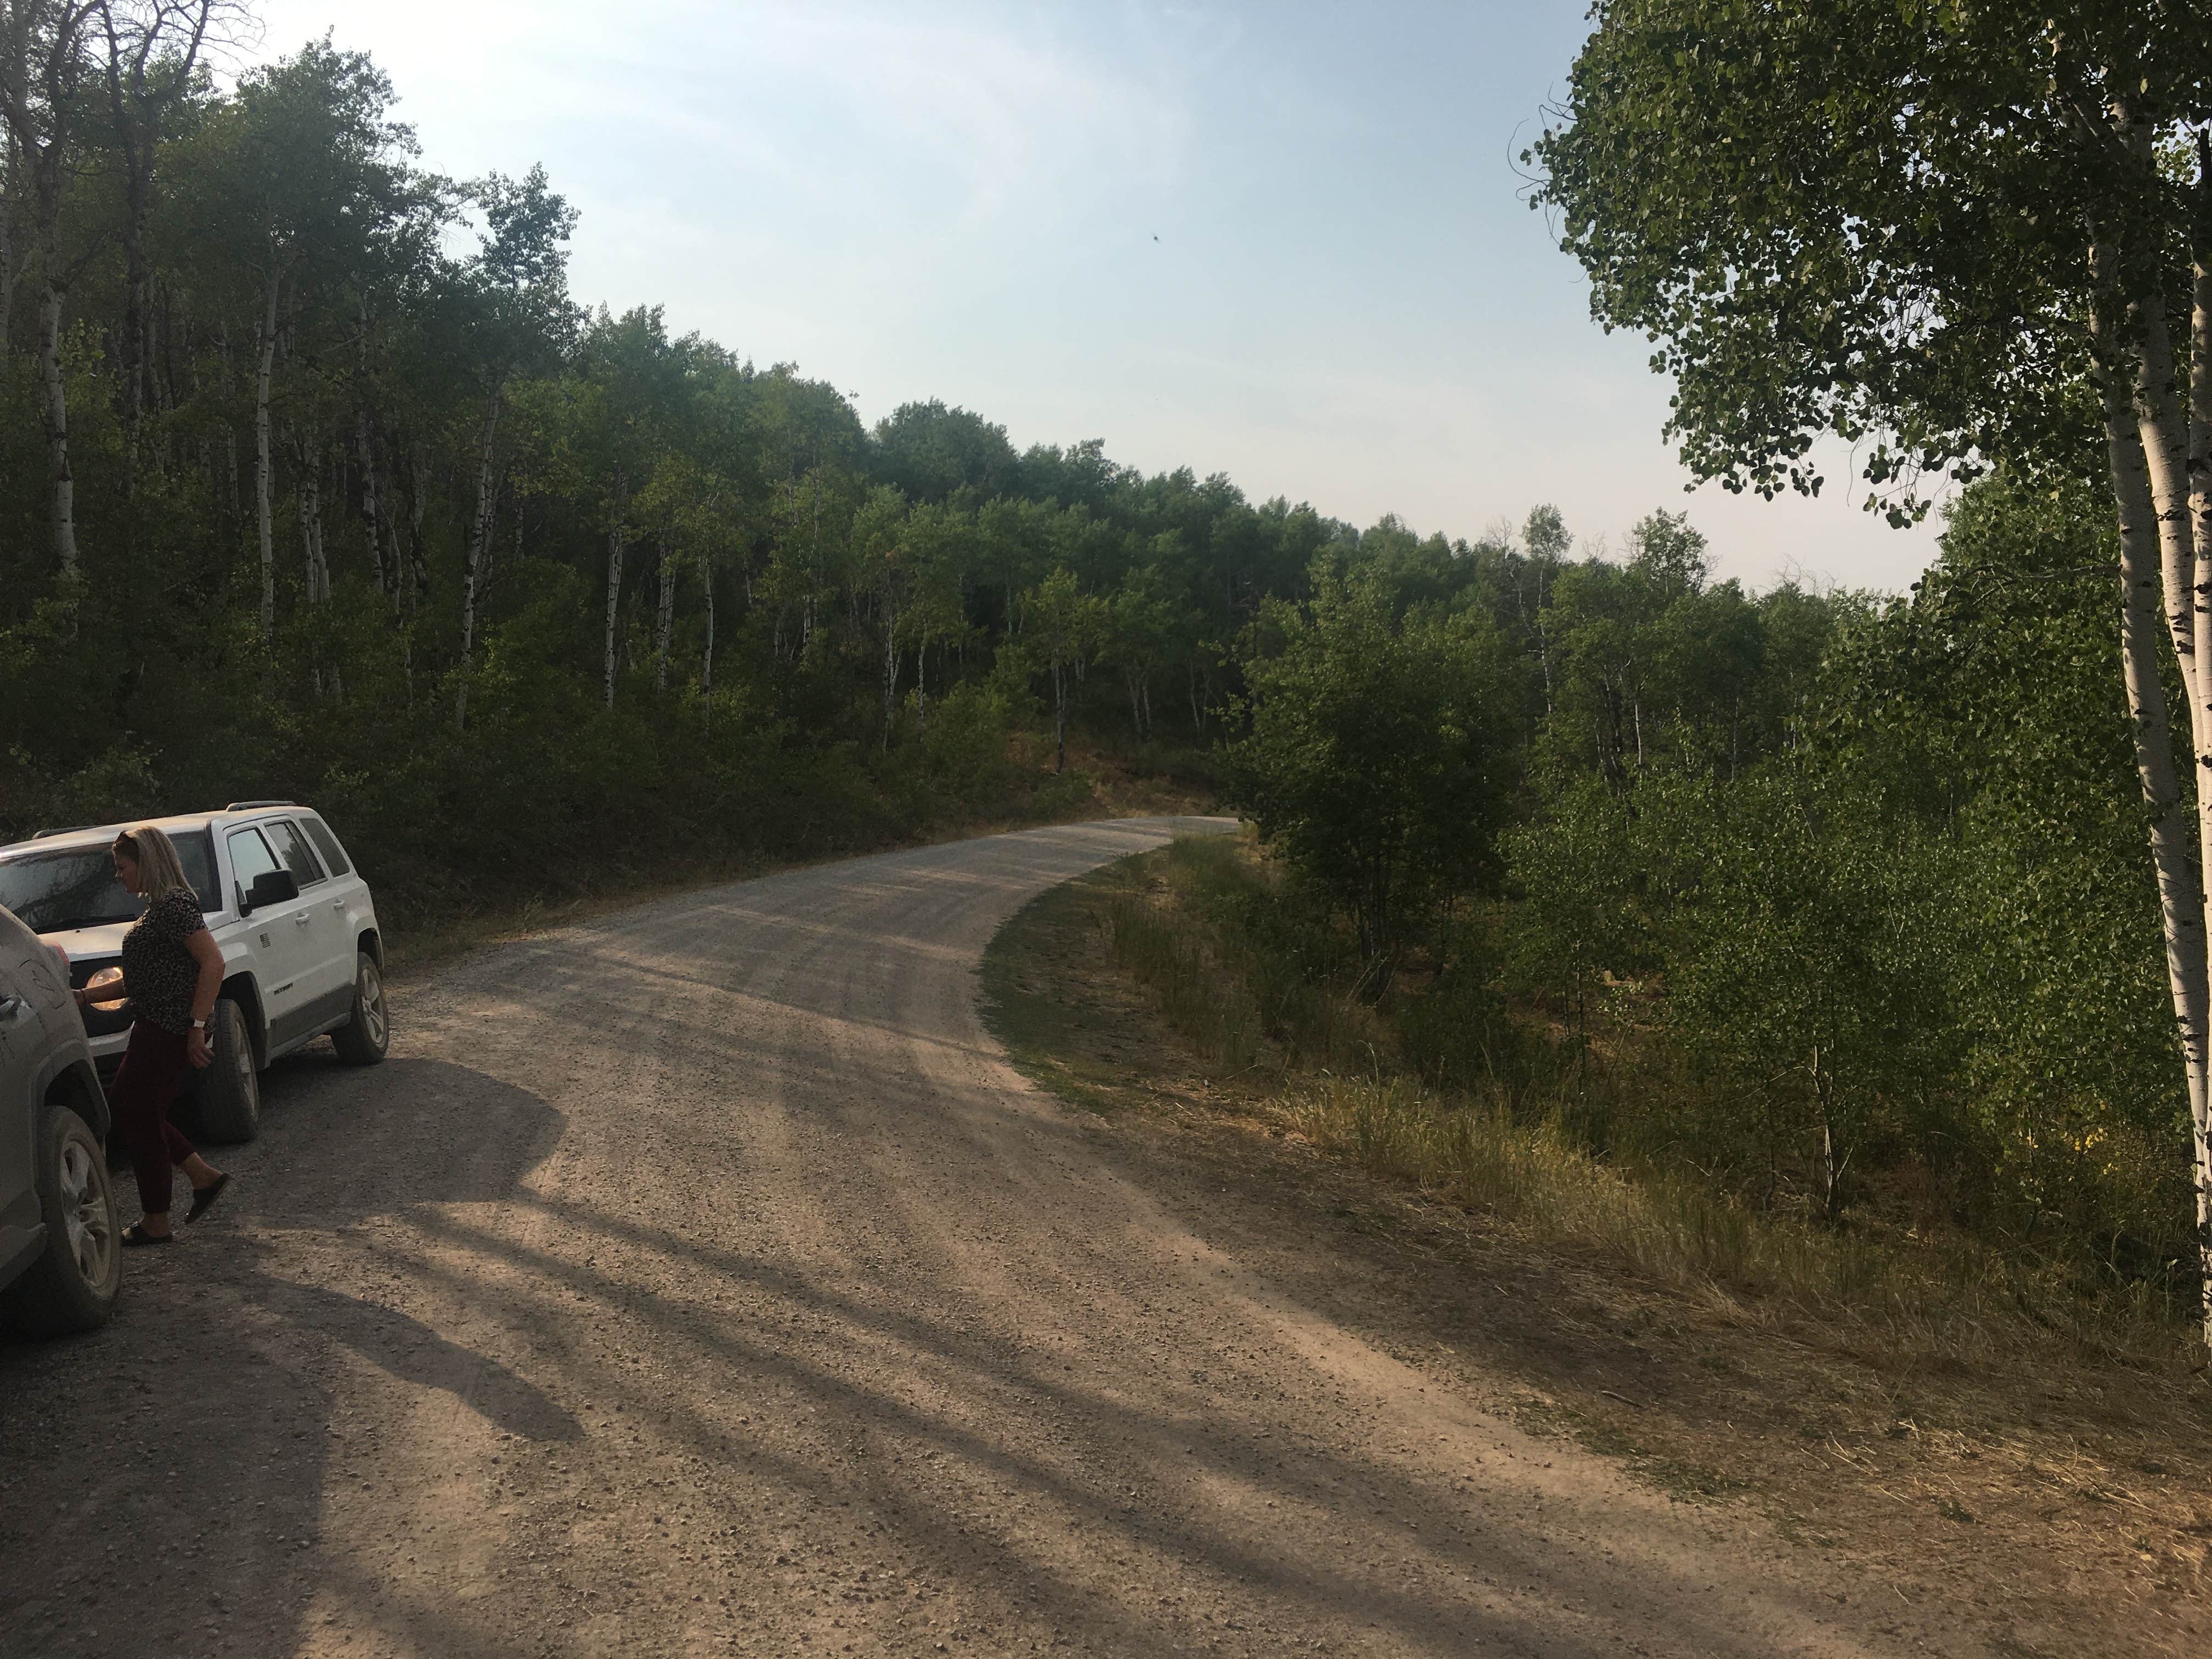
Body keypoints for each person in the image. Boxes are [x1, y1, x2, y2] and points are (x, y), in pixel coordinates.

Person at [78, 826, 230, 1245]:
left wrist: (196, 1029)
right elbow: (140, 980)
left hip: (169, 1030)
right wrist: (85, 996)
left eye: (122, 866)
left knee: (135, 1111)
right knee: (140, 1111)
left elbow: (213, 964)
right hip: (153, 1026)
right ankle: (202, 1178)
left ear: (146, 862)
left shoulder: (175, 906)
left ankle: (157, 1220)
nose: (119, 875)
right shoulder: (156, 911)